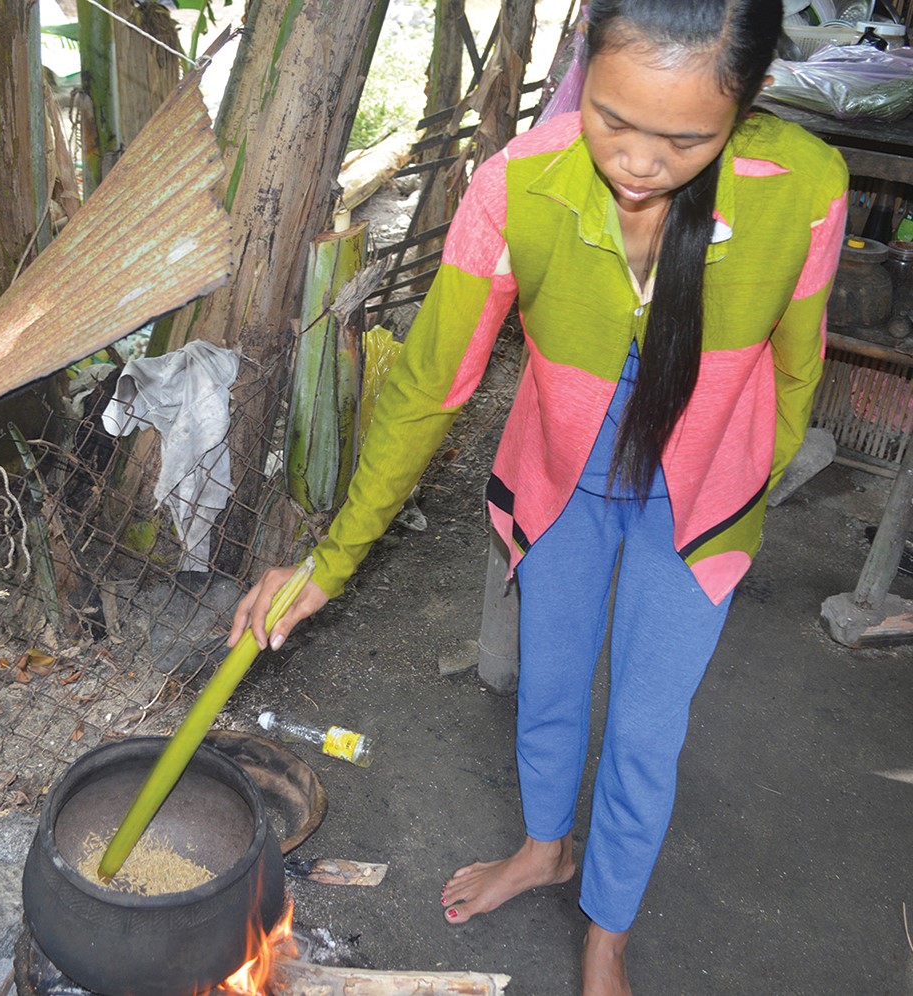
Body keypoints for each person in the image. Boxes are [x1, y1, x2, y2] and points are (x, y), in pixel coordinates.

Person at [229, 0, 848, 990]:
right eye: (612, 119)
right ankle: (545, 848)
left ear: (750, 98)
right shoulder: (518, 183)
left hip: (701, 497)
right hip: (563, 472)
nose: (639, 163)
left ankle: (608, 926)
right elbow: (432, 381)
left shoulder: (805, 188)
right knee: (548, 684)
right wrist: (328, 560)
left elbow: (797, 358)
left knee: (647, 728)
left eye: (684, 138)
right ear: (582, 69)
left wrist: (748, 482)